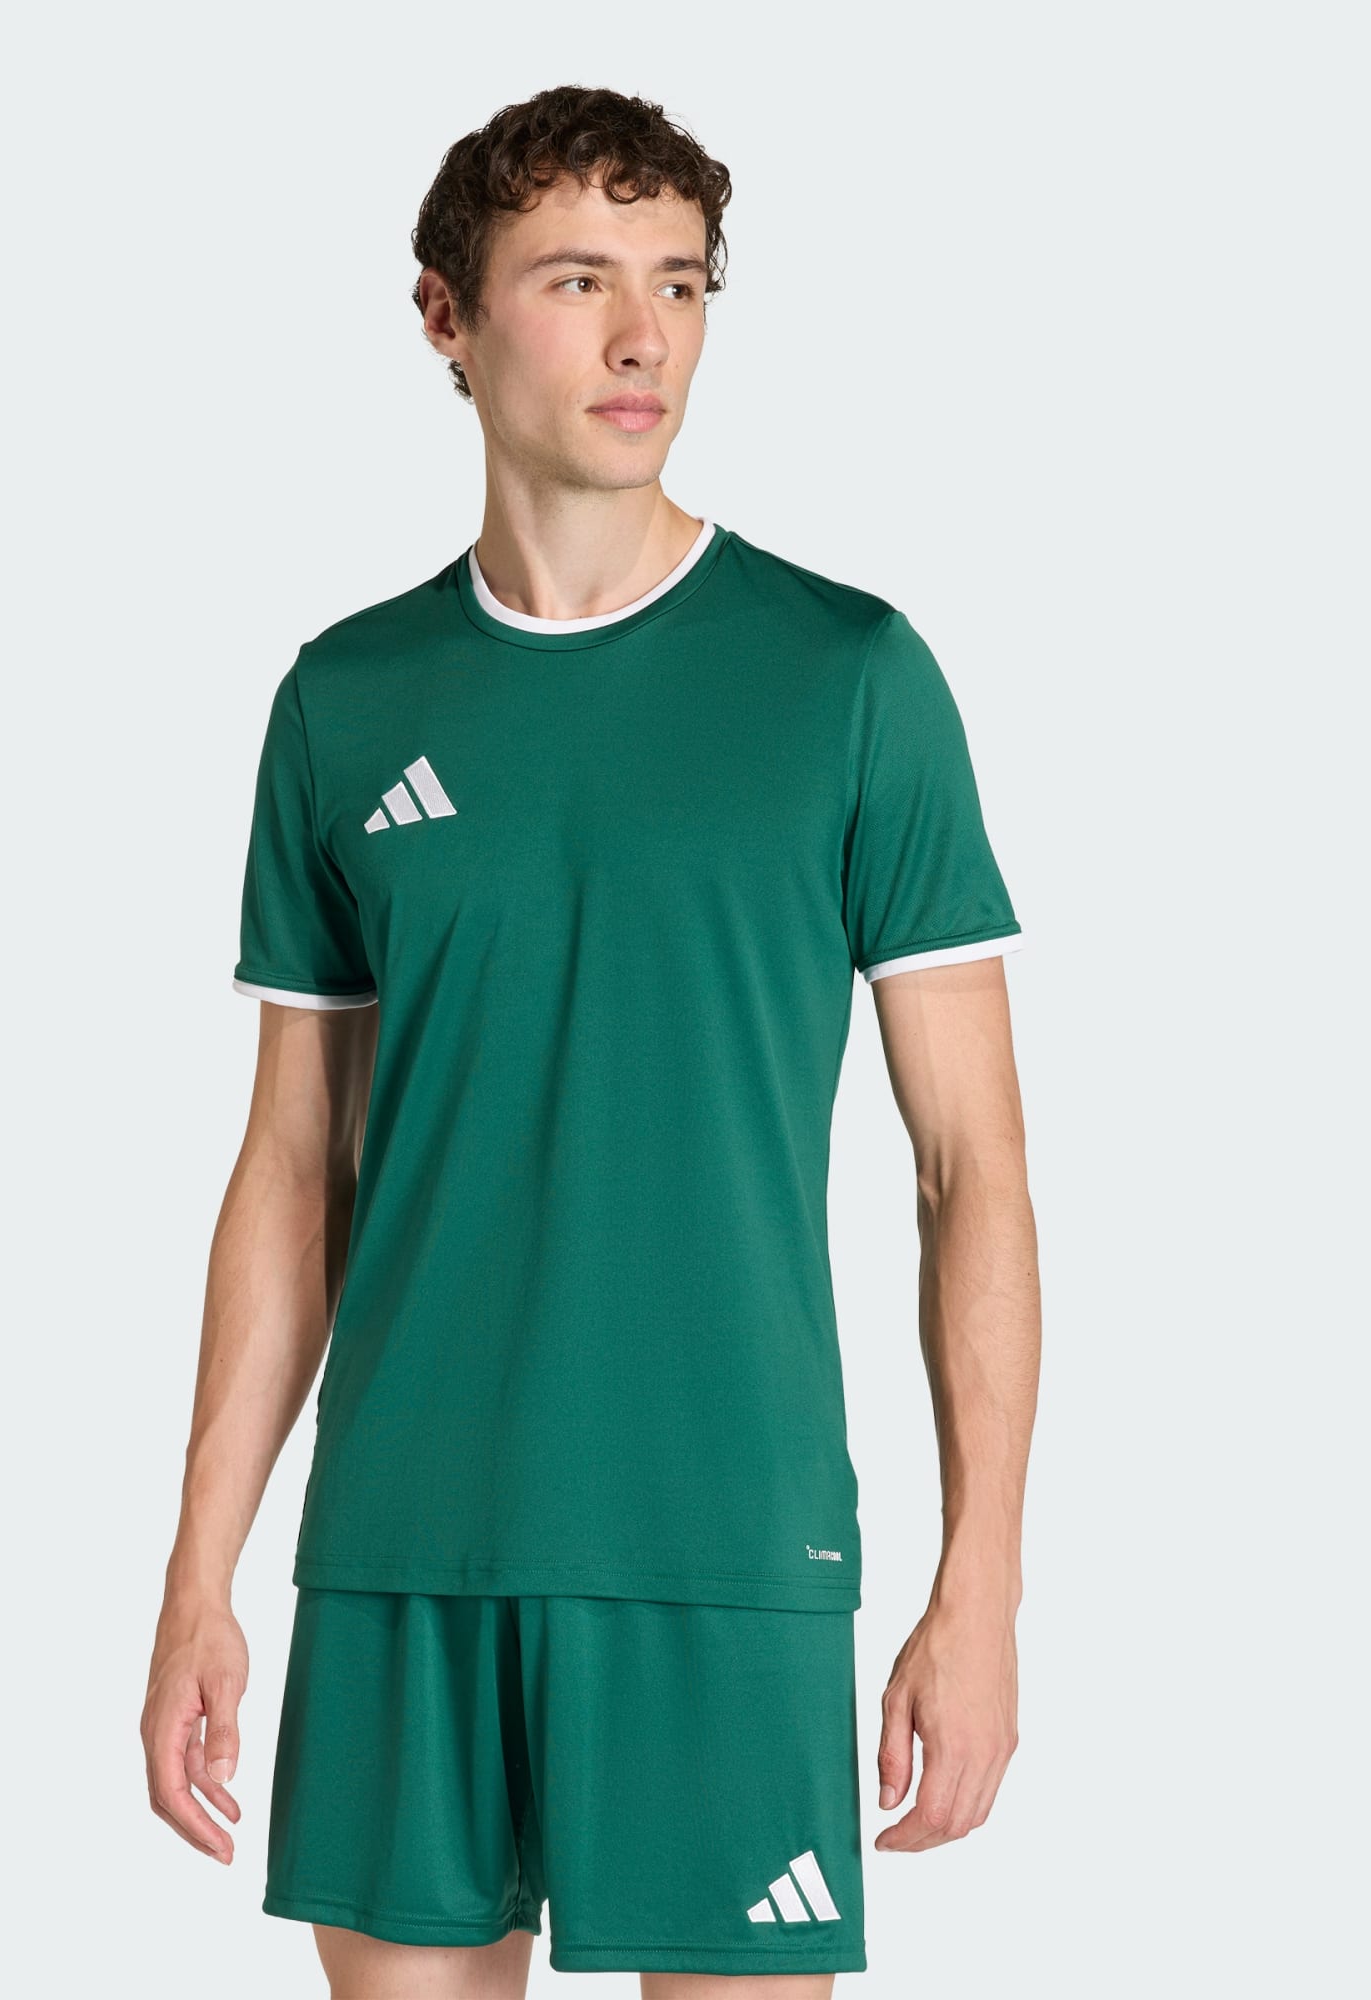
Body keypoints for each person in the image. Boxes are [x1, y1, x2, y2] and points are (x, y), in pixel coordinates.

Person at [141, 83, 1041, 1999]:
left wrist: (982, 1582)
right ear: (446, 318)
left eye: (682, 284)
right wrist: (199, 1567)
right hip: (403, 1553)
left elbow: (973, 1169)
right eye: (576, 280)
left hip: (724, 1551)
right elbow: (294, 1169)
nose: (645, 336)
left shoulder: (847, 679)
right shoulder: (345, 699)